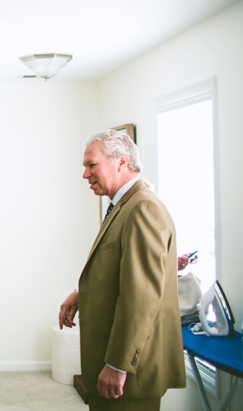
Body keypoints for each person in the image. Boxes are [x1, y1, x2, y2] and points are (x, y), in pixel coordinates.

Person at [58, 129, 185, 411]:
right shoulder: (123, 205)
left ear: (121, 162)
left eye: (92, 165)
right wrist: (80, 293)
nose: (85, 174)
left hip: (130, 374)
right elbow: (120, 269)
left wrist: (117, 364)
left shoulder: (143, 209)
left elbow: (141, 298)